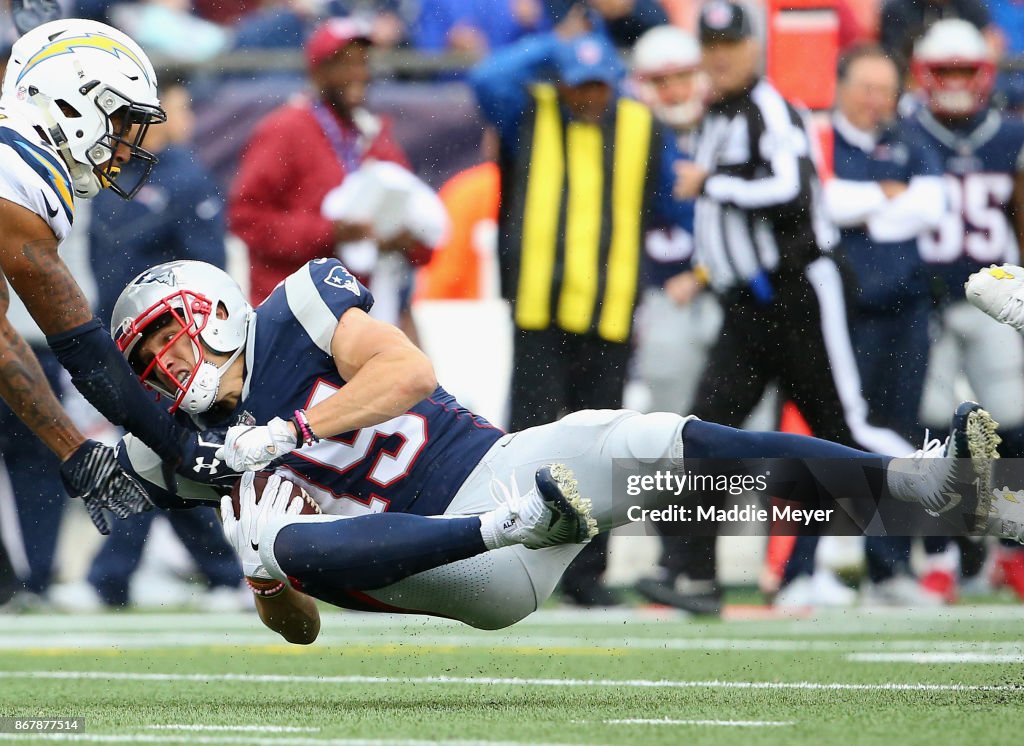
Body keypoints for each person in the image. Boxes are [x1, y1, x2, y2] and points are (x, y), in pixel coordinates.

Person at [108, 258, 1009, 639]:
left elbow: (410, 373)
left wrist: (297, 428)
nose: (164, 365)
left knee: (663, 449)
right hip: (462, 565)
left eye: (167, 338)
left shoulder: (298, 312)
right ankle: (515, 525)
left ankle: (919, 487)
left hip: (504, 466)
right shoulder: (183, 454)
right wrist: (268, 583)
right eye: (147, 360)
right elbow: (301, 628)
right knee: (276, 543)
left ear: (216, 311)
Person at [674, 0, 921, 608]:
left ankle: (960, 495)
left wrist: (712, 184)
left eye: (729, 44)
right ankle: (694, 576)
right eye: (710, 46)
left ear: (753, 48)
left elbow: (791, 186)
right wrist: (706, 268)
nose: (720, 56)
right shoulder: (715, 115)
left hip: (798, 294)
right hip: (746, 305)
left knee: (845, 428)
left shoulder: (768, 108)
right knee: (704, 432)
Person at [469, 14, 689, 606]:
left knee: (604, 450)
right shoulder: (530, 113)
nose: (587, 97)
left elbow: (671, 207)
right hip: (540, 311)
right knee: (528, 442)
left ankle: (589, 578)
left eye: (598, 84)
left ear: (614, 82)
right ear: (560, 81)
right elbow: (485, 75)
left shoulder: (643, 126)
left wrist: (695, 268)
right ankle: (511, 564)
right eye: (577, 83)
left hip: (611, 313)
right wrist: (552, 44)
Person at [0, 18, 234, 537]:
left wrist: (76, 450)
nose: (125, 150)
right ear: (73, 102)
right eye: (123, 123)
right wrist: (181, 450)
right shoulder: (16, 176)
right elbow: (82, 347)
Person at [824, 45, 947, 606]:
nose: (877, 101)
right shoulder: (820, 138)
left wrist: (865, 209)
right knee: (840, 434)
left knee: (901, 433)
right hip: (846, 313)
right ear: (841, 85)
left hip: (907, 309)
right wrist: (882, 196)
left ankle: (890, 568)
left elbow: (931, 206)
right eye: (866, 87)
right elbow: (820, 202)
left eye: (886, 89)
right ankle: (816, 567)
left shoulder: (909, 137)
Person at [908, 20, 1024, 600]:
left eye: (964, 70)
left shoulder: (1010, 135)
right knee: (932, 427)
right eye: (943, 70)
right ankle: (938, 555)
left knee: (1012, 418)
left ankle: (1011, 549)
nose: (953, 82)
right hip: (924, 304)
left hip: (992, 304)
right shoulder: (906, 131)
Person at [228, 17, 432, 311]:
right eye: (344, 63)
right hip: (294, 317)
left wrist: (405, 240)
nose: (358, 73)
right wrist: (330, 233)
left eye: (363, 63)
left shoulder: (373, 135)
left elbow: (415, 223)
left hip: (364, 313)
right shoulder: (284, 130)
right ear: (318, 71)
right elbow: (246, 218)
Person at [625, 25, 722, 615]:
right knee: (664, 436)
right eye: (660, 81)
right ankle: (676, 561)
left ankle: (704, 566)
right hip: (663, 299)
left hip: (732, 297)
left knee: (728, 436)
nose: (674, 89)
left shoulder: (731, 126)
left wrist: (708, 272)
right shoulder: (634, 135)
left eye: (682, 76)